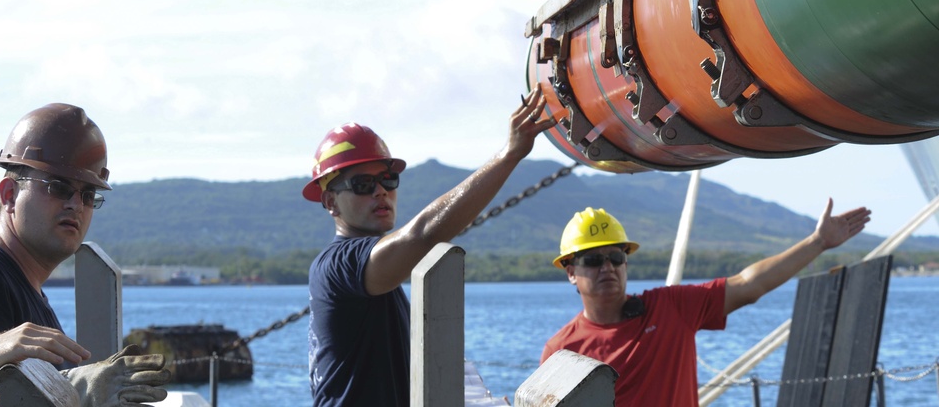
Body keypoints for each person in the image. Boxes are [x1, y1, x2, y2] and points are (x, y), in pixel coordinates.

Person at [305, 87, 556, 407]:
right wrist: (510, 153)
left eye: (388, 180)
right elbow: (422, 235)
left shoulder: (375, 273)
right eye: (363, 184)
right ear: (330, 201)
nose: (381, 191)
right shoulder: (338, 264)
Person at [0, 103, 169, 406]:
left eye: (88, 195)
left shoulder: (25, 291)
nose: (76, 204)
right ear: (10, 195)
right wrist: (68, 394)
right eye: (58, 187)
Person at [540, 202, 872, 407]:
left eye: (615, 257)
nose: (607, 268)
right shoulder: (561, 350)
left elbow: (749, 284)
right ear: (571, 272)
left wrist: (817, 243)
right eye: (593, 260)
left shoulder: (672, 308)